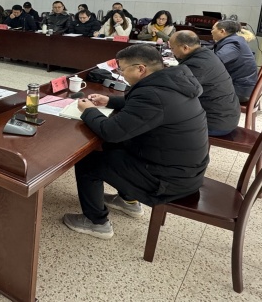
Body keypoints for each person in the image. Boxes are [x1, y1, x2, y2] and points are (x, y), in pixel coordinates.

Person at [63, 45, 209, 239]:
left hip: (168, 180)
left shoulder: (153, 95)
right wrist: (109, 101)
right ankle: (129, 201)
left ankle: (96, 222)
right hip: (184, 169)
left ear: (141, 69)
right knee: (114, 146)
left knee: (88, 161)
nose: (121, 74)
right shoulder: (172, 82)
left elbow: (111, 132)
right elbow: (143, 106)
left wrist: (89, 110)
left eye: (122, 69)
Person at [168, 31, 240, 136]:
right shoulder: (205, 54)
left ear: (185, 48)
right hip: (225, 116)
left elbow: (176, 91)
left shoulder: (197, 64)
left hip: (215, 123)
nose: (172, 51)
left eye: (172, 48)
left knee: (161, 123)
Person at [212, 20, 259, 103]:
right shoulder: (235, 40)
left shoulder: (233, 44)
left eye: (213, 29)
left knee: (197, 92)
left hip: (239, 91)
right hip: (242, 87)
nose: (211, 31)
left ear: (222, 31)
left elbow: (214, 62)